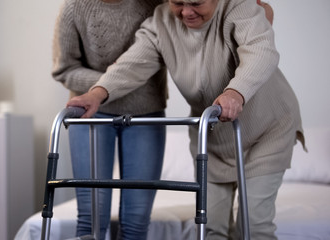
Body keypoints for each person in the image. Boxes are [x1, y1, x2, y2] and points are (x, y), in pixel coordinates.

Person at [66, 0, 304, 239]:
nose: (186, 12)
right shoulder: (162, 21)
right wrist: (97, 94)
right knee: (210, 227)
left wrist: (236, 92)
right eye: (177, 3)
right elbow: (133, 63)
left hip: (266, 131)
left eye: (196, 3)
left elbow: (260, 50)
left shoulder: (238, 6)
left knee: (252, 225)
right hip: (214, 135)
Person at [51, 1, 168, 239]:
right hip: (90, 113)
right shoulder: (74, 8)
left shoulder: (157, 4)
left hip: (146, 112)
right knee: (91, 219)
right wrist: (115, 79)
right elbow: (64, 70)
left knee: (136, 222)